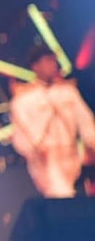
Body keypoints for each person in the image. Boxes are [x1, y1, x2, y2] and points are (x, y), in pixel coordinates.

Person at [10, 46, 95, 198]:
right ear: (35, 66)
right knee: (60, 194)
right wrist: (35, 151)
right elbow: (20, 135)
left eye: (54, 61)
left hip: (70, 155)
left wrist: (91, 143)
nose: (54, 65)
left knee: (70, 194)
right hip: (45, 159)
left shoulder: (68, 93)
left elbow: (86, 122)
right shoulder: (24, 100)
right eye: (48, 61)